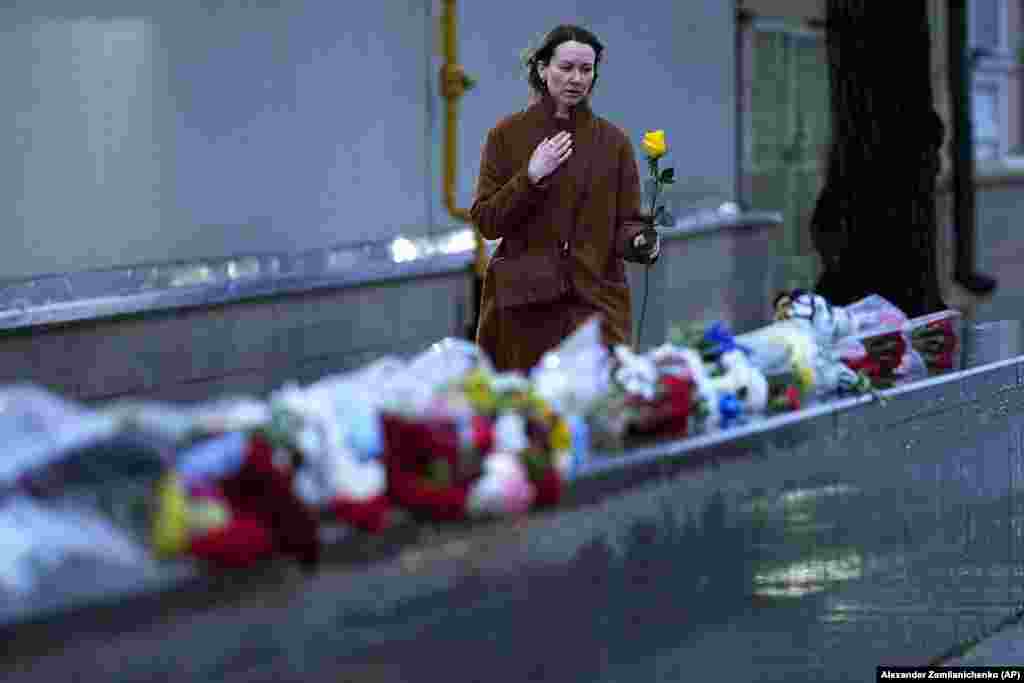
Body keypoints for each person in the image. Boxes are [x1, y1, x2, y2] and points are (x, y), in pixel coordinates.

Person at [471, 24, 660, 373]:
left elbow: (627, 222)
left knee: (598, 412)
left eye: (586, 70)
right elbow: (487, 221)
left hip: (595, 310)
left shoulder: (613, 142)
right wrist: (529, 177)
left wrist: (639, 240)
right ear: (543, 70)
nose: (576, 78)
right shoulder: (506, 136)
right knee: (530, 418)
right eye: (566, 67)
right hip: (524, 314)